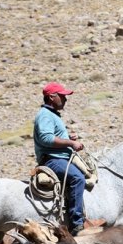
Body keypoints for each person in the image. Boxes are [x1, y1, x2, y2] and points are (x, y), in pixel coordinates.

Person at [33, 82, 86, 235]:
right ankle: (77, 224)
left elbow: (52, 136)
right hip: (52, 160)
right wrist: (71, 142)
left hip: (58, 158)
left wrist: (67, 137)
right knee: (78, 178)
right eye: (62, 96)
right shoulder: (45, 115)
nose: (65, 99)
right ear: (51, 97)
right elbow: (46, 139)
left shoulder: (51, 115)